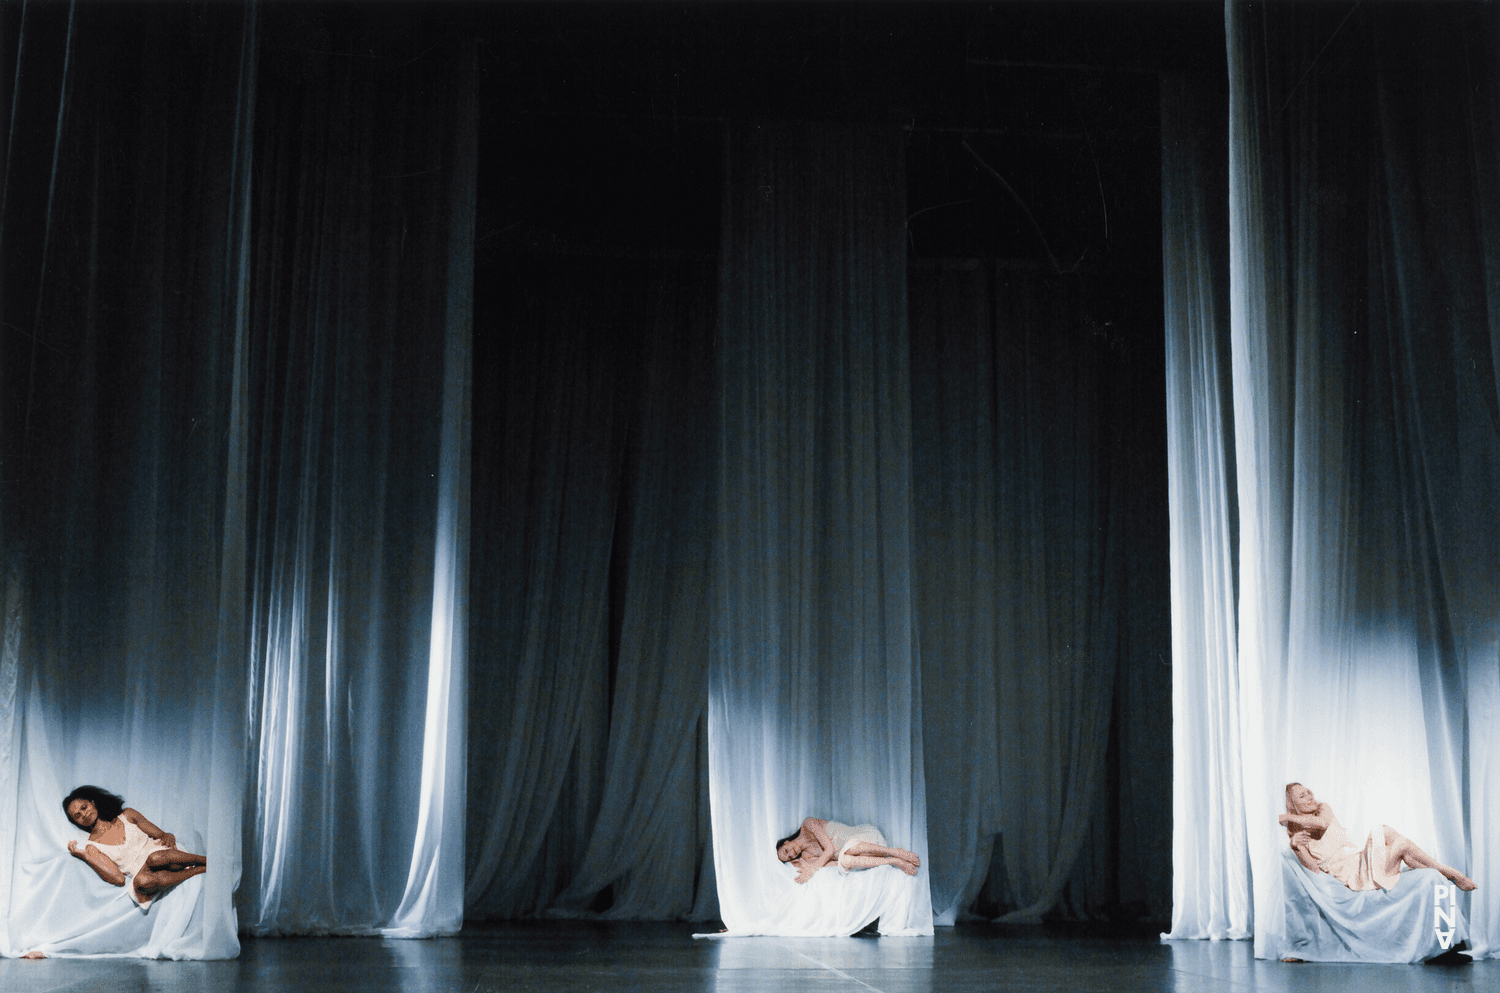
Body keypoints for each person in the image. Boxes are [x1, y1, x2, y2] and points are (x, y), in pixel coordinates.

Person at [1280, 782, 1475, 893]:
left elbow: (1322, 825)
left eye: (1308, 792)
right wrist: (1296, 847)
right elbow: (1314, 870)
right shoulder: (1300, 838)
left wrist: (1286, 817)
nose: (1310, 797)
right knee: (1399, 843)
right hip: (1355, 877)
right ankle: (1448, 872)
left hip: (1361, 861)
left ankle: (1444, 872)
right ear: (1294, 805)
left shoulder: (1324, 810)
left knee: (1386, 833)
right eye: (1302, 797)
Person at [62, 785, 208, 911]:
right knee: (142, 882)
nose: (84, 814)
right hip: (149, 875)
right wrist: (85, 856)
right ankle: (199, 869)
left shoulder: (127, 815)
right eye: (78, 815)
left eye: (84, 807)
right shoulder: (92, 848)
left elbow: (161, 835)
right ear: (76, 822)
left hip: (165, 857)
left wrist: (169, 837)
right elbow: (118, 879)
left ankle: (206, 860)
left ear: (93, 803)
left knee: (154, 858)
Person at [773, 817, 920, 883]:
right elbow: (835, 864)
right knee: (845, 859)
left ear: (786, 842)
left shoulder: (808, 825)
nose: (791, 853)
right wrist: (808, 865)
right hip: (859, 855)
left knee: (849, 850)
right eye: (789, 857)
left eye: (786, 851)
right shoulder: (808, 857)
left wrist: (811, 869)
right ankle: (894, 860)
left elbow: (829, 849)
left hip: (865, 838)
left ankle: (895, 852)